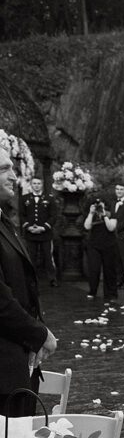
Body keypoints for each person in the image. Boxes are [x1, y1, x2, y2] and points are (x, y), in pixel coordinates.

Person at [0, 148, 58, 416]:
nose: (14, 176)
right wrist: (40, 335)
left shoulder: (4, 220)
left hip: (17, 364)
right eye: (4, 169)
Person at [19, 177, 58, 286]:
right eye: (34, 183)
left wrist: (44, 227)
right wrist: (28, 227)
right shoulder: (24, 198)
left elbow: (53, 216)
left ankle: (52, 279)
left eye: (38, 183)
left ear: (42, 185)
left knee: (48, 257)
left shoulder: (49, 198)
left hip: (45, 233)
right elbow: (22, 215)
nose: (36, 185)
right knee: (31, 257)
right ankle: (31, 279)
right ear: (31, 185)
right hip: (30, 233)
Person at [83, 195, 119, 301]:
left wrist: (104, 215)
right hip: (94, 244)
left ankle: (111, 294)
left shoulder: (111, 213)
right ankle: (92, 291)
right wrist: (91, 213)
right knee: (94, 269)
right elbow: (87, 226)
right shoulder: (92, 214)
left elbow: (111, 227)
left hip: (109, 244)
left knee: (109, 269)